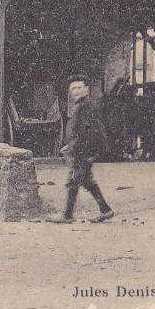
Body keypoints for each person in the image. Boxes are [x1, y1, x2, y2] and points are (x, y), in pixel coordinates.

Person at [50, 74, 114, 224]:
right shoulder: (83, 105)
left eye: (79, 88)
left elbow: (88, 132)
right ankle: (105, 210)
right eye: (73, 88)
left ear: (86, 89)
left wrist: (76, 148)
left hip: (84, 150)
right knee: (85, 181)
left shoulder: (86, 106)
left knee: (74, 181)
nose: (76, 91)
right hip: (83, 149)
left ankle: (67, 215)